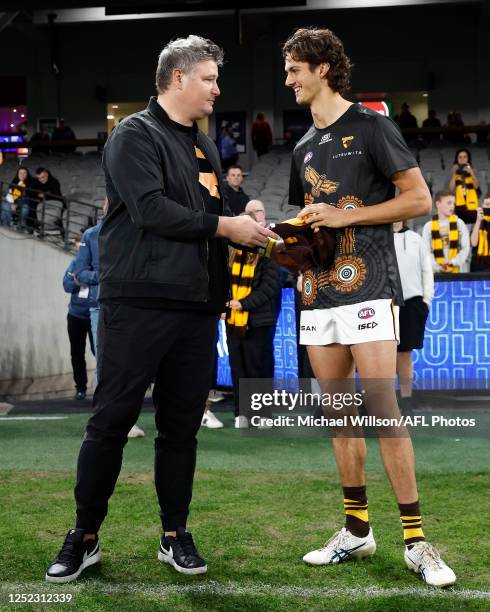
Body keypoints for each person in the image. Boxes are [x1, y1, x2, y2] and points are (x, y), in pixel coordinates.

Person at [45, 34, 276, 584]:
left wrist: (261, 239)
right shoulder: (132, 135)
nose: (218, 89)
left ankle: (175, 534)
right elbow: (151, 210)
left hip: (196, 310)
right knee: (110, 424)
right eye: (210, 79)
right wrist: (226, 226)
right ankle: (85, 534)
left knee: (181, 430)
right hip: (138, 304)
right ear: (178, 78)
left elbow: (212, 223)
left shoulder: (205, 145)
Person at [283, 26, 455, 587]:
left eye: (295, 69)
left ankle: (417, 541)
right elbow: (312, 219)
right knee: (339, 420)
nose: (288, 78)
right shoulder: (302, 147)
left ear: (323, 68)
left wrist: (345, 217)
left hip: (367, 292)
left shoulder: (374, 127)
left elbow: (418, 199)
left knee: (384, 415)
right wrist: (287, 237)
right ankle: (356, 530)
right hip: (316, 296)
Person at [226, 200, 282, 428]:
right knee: (238, 367)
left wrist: (243, 303)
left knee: (259, 367)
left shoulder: (267, 253)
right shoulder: (230, 255)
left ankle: (263, 413)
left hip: (259, 321)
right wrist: (227, 304)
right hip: (234, 322)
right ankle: (241, 412)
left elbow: (270, 287)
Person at [393, 221, 434, 412]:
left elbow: (427, 270)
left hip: (412, 302)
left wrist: (426, 299)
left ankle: (406, 399)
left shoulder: (416, 239)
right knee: (381, 356)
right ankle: (385, 402)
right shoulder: (379, 238)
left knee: (404, 354)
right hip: (384, 304)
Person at [62, 238, 96, 400]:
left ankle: (102, 386)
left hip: (94, 314)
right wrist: (80, 282)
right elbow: (67, 285)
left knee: (98, 351)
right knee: (77, 353)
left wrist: (82, 279)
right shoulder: (75, 264)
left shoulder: (97, 264)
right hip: (75, 315)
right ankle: (80, 388)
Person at [422, 190, 470, 273]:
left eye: (453, 203)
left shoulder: (459, 223)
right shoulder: (428, 226)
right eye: (449, 203)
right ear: (438, 204)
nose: (452, 206)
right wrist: (437, 266)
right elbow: (426, 251)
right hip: (436, 272)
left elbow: (466, 248)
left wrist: (453, 262)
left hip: (457, 271)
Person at [448, 148, 480, 224]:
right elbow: (451, 189)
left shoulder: (474, 171)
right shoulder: (453, 171)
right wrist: (454, 174)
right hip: (458, 207)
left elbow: (477, 186)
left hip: (472, 206)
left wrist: (471, 172)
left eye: (465, 157)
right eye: (460, 157)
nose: (462, 159)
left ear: (468, 158)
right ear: (457, 159)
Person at [470, 193, 490, 272]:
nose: (489, 207)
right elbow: (473, 243)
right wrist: (478, 221)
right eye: (487, 204)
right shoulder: (477, 221)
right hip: (478, 265)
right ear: (482, 206)